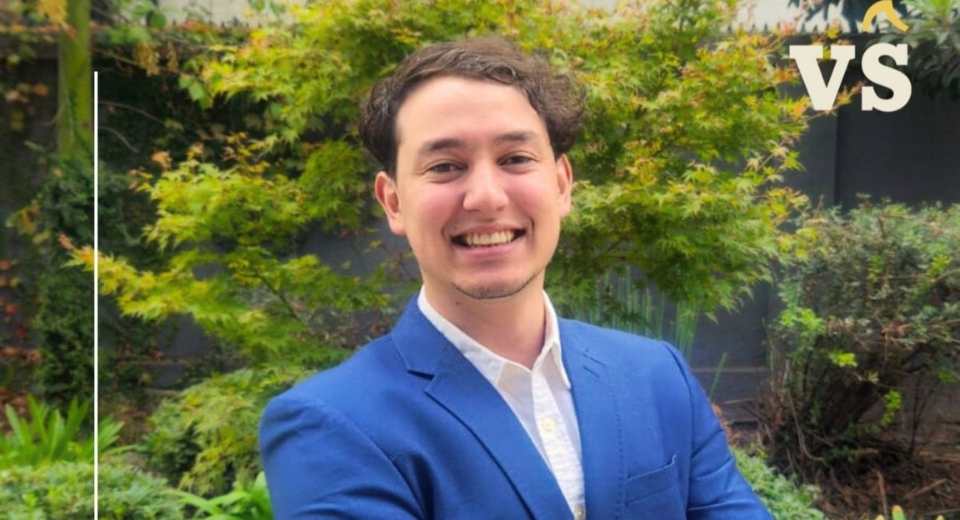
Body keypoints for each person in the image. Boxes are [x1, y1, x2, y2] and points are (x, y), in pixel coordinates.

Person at [260, 37, 771, 519]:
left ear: (562, 184)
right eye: (445, 166)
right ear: (393, 201)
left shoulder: (656, 376)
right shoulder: (330, 424)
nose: (486, 196)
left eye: (515, 159)